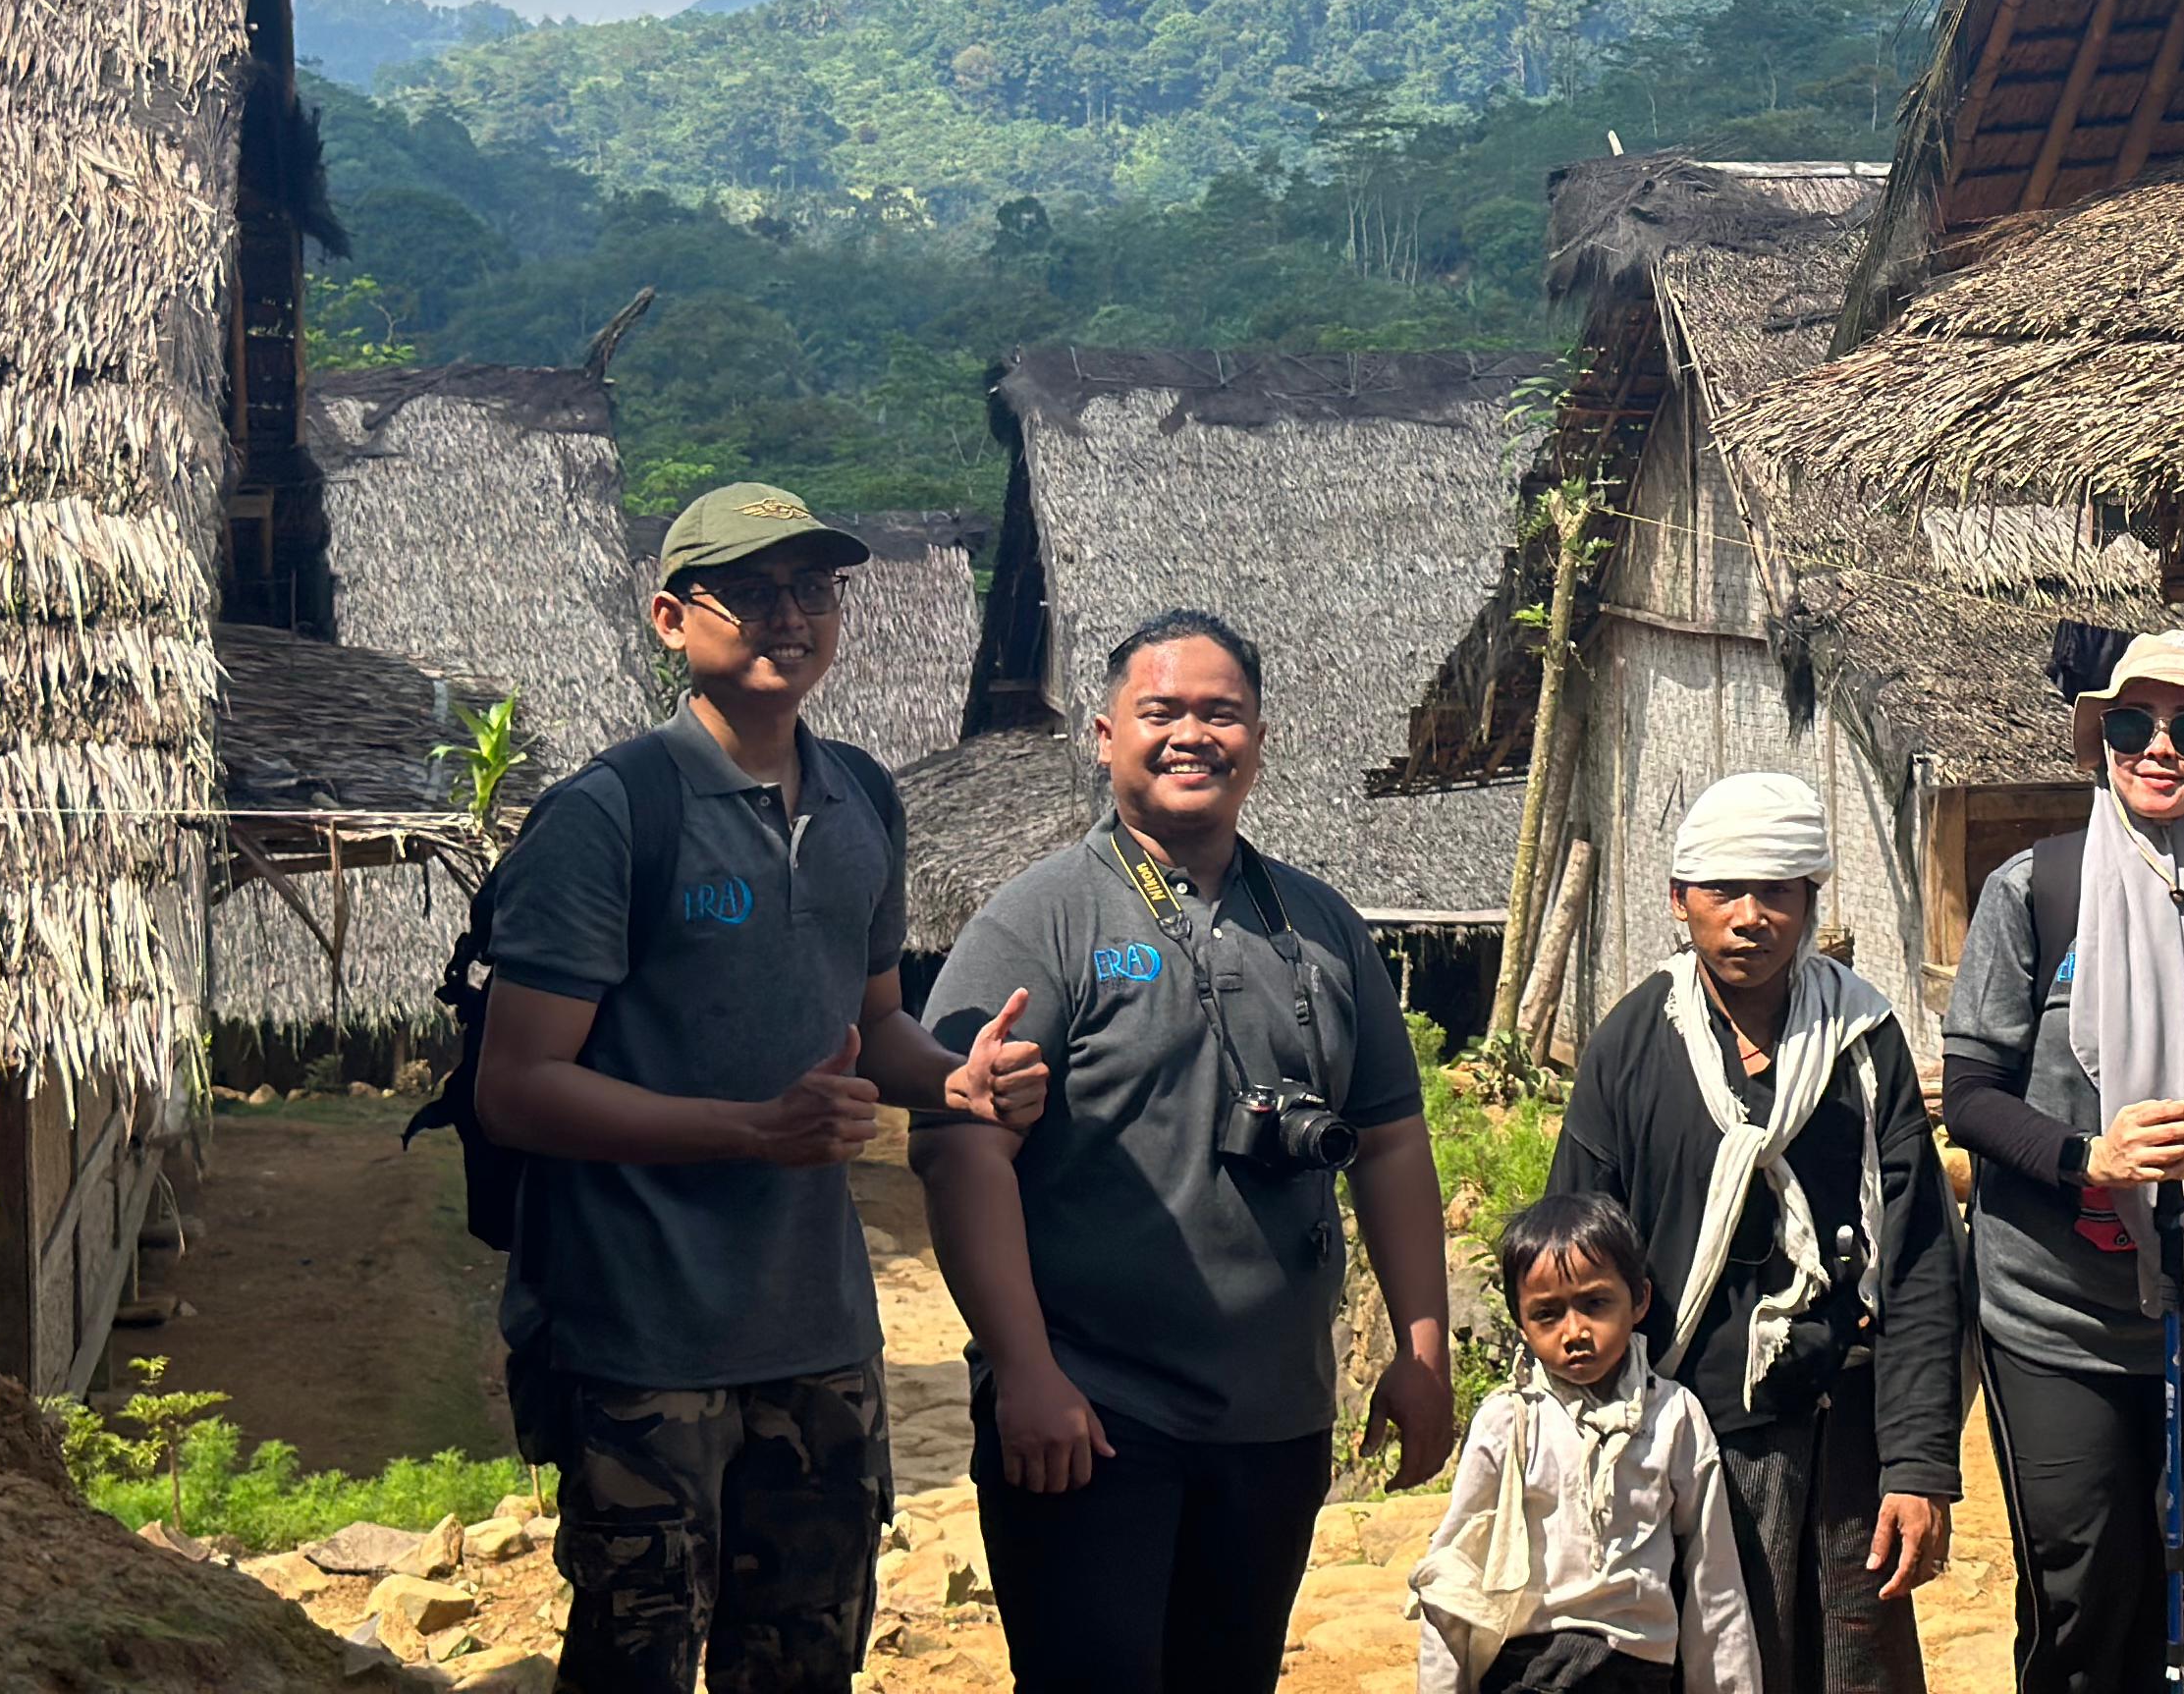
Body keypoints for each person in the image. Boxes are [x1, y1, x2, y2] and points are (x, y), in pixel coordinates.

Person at [476, 480, 1045, 1694]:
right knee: (636, 1657)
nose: (789, 616)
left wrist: (958, 1082)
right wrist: (751, 1130)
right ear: (672, 619)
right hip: (638, 1338)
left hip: (818, 1337)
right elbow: (518, 1087)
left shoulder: (864, 803)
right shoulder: (613, 815)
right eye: (750, 592)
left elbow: (877, 1025)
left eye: (813, 589)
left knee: (803, 1662)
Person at [913, 607, 1458, 1694]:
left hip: (1274, 1416)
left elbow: (1392, 1144)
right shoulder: (1042, 920)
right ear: (1106, 736)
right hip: (1090, 1411)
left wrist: (1424, 1349)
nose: (1192, 735)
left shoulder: (1320, 925)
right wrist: (1023, 1370)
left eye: (1223, 713)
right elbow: (960, 1151)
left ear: (1260, 738)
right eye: (1160, 711)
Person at [1939, 630, 2184, 1694]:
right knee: (2079, 1586)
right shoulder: (2036, 892)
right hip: (2055, 1309)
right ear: (2100, 741)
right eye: (2131, 725)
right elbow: (1972, 1096)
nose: (2157, 749)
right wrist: (2088, 1158)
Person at [1546, 772, 1963, 1694]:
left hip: (1845, 1437)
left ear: (1812, 902)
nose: (1749, 916)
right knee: (1706, 1666)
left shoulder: (1861, 1041)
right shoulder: (1631, 1044)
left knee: (1857, 1668)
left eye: (1777, 891)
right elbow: (1567, 1263)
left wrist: (1919, 1464)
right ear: (1678, 900)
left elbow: (1922, 1260)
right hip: (1681, 1436)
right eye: (1724, 891)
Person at [1410, 1193, 1765, 1694]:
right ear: (1521, 1324)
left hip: (1639, 1668)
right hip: (1528, 1667)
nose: (1574, 1332)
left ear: (1639, 1299)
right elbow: (1453, 1575)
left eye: (1595, 1304)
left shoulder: (1672, 1415)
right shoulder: (1508, 1420)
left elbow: (1713, 1576)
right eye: (1547, 1314)